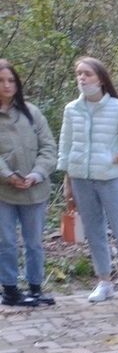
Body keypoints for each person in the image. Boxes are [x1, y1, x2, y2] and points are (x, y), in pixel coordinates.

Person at [58, 57, 118, 306]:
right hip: (81, 180)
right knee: (94, 233)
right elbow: (65, 147)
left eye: (87, 74)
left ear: (100, 78)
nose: (82, 79)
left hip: (112, 180)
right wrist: (67, 181)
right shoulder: (71, 110)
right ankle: (104, 282)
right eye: (78, 74)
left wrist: (117, 156)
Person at [0, 60, 57, 307]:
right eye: (1, 81)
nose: (6, 85)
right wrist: (7, 174)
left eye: (11, 80)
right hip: (3, 191)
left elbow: (49, 148)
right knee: (6, 241)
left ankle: (35, 288)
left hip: (35, 190)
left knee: (34, 242)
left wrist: (36, 174)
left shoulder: (32, 113)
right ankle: (10, 290)